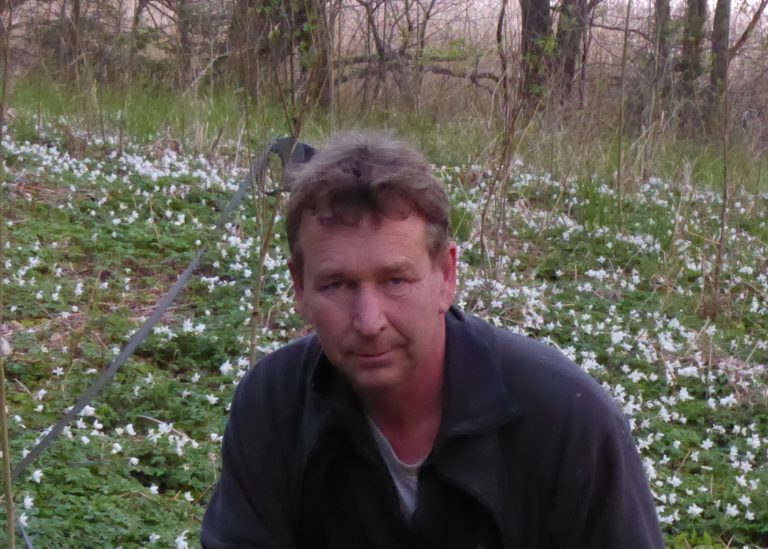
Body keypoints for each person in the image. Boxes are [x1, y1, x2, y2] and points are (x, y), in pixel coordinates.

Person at [201, 132, 664, 549]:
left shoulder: (567, 421)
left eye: (395, 281)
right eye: (337, 285)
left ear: (446, 276)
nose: (369, 321)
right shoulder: (273, 405)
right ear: (299, 287)